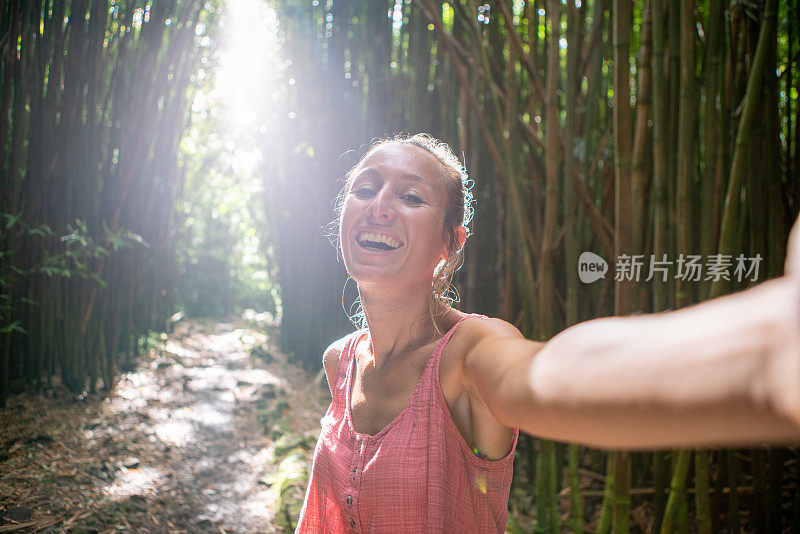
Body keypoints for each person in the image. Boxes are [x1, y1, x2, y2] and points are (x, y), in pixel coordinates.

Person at [295, 133, 800, 533]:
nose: (379, 205)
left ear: (451, 242)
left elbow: (545, 376)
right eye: (364, 188)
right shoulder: (340, 362)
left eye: (410, 196)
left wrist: (772, 353)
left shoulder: (468, 356)